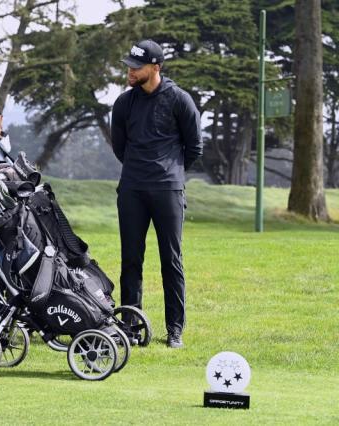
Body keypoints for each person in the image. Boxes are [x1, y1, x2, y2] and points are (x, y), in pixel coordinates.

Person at [110, 40, 203, 349]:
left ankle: (174, 330)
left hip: (168, 190)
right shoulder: (124, 103)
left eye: (136, 67)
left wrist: (171, 172)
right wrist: (140, 171)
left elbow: (194, 147)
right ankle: (131, 327)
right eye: (129, 66)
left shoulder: (180, 100)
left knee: (171, 261)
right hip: (132, 189)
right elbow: (120, 147)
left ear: (155, 67)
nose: (130, 71)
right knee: (130, 261)